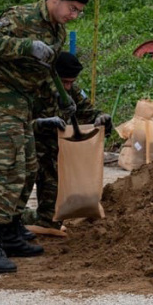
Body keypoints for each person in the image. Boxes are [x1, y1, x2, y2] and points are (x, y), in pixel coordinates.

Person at [0, 0, 92, 273]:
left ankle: (11, 234)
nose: (74, 15)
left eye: (79, 11)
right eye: (72, 8)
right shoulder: (21, 16)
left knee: (28, 166)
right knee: (11, 169)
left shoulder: (58, 30)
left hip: (23, 103)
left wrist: (65, 97)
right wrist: (27, 46)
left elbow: (48, 72)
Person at [23, 52, 112, 231]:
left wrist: (101, 118)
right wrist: (41, 124)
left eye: (71, 82)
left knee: (51, 220)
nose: (68, 86)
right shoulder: (33, 90)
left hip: (53, 154)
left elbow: (87, 112)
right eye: (64, 82)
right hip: (26, 148)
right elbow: (16, 125)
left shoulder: (71, 91)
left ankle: (37, 218)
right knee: (14, 190)